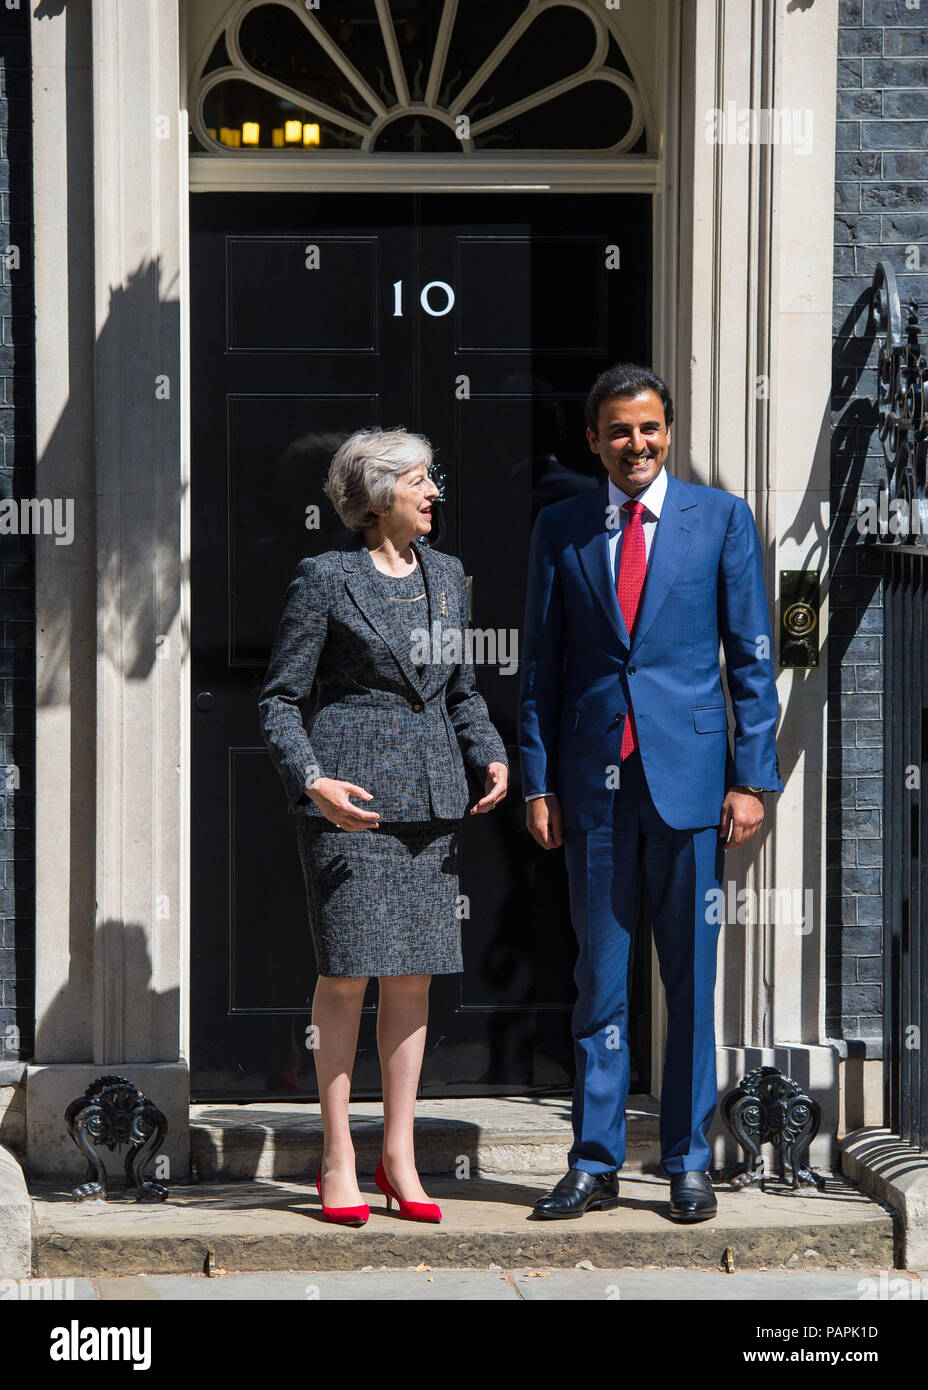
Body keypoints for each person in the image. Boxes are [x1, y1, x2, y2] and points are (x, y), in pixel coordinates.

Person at [518, 363, 782, 1223]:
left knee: (689, 980)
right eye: (620, 431)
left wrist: (752, 777)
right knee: (599, 980)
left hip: (693, 785)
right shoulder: (560, 526)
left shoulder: (721, 519)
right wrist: (538, 780)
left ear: (669, 432)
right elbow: (541, 671)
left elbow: (750, 659)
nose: (637, 444)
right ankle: (593, 1162)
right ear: (594, 441)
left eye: (651, 429)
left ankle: (686, 1160)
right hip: (593, 786)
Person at [259, 427, 508, 1225]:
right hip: (352, 803)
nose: (435, 492)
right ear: (377, 495)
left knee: (412, 980)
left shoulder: (448, 576)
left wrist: (490, 754)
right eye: (421, 481)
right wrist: (312, 781)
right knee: (347, 977)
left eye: (432, 479)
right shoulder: (326, 578)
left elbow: (462, 690)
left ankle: (396, 1155)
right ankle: (336, 1155)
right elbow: (280, 698)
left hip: (433, 803)